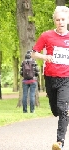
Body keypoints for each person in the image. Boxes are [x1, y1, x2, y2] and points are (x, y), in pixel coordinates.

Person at [31, 6, 69, 150]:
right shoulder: (46, 36)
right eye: (58, 20)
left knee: (63, 108)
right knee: (55, 110)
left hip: (66, 78)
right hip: (50, 77)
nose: (60, 22)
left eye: (63, 19)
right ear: (54, 21)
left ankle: (60, 142)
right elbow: (33, 53)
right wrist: (45, 57)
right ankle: (62, 111)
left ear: (67, 20)